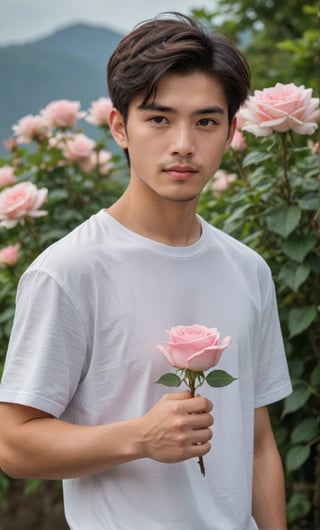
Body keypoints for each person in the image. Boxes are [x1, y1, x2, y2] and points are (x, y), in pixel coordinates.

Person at [0, 13, 292, 530]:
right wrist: (139, 437)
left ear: (230, 132)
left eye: (205, 121)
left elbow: (259, 442)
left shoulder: (249, 270)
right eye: (159, 119)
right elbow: (13, 444)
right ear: (120, 128)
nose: (183, 143)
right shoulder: (69, 271)